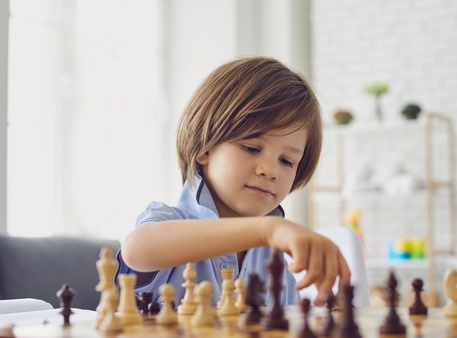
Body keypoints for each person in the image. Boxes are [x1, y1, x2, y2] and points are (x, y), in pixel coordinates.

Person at [118, 56, 350, 308]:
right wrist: (268, 230)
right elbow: (137, 249)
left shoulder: (274, 262)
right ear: (205, 148)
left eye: (286, 161)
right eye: (251, 147)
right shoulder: (167, 222)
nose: (270, 171)